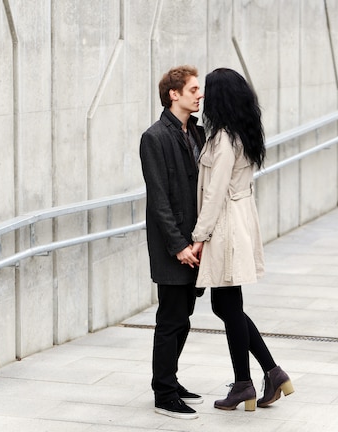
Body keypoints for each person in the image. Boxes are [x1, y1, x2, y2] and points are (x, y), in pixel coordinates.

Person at [191, 68, 294, 411]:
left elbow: (215, 192)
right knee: (227, 304)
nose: (203, 97)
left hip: (225, 228)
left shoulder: (222, 139)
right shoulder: (243, 133)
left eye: (207, 91)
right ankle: (270, 372)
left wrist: (198, 236)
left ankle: (245, 383)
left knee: (227, 305)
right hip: (239, 220)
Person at [139, 65, 205, 420]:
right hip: (173, 247)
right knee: (171, 318)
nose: (200, 94)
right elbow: (158, 198)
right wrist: (179, 245)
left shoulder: (196, 132)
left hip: (194, 244)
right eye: (193, 89)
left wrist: (199, 240)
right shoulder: (155, 137)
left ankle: (170, 380)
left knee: (184, 317)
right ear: (173, 95)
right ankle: (163, 393)